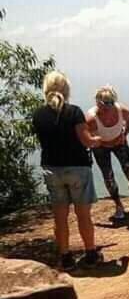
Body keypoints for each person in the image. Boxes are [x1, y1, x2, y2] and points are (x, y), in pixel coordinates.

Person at [32, 71, 106, 270]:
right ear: (66, 89)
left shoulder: (38, 114)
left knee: (60, 217)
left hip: (51, 168)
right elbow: (87, 141)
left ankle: (65, 258)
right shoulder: (73, 112)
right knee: (83, 215)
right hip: (77, 168)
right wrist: (100, 139)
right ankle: (91, 254)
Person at [86, 85, 129, 220]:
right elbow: (88, 137)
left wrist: (124, 134)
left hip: (119, 142)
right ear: (97, 102)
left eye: (112, 102)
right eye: (105, 103)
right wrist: (99, 142)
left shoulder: (122, 111)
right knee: (108, 175)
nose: (109, 107)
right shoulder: (91, 118)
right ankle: (118, 205)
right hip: (100, 147)